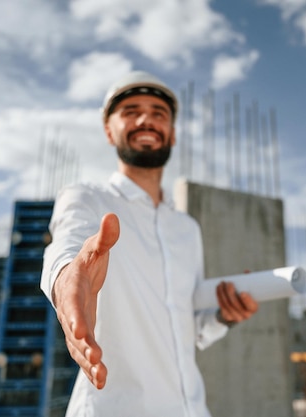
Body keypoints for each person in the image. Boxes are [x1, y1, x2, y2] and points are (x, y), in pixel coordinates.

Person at [40, 70, 259, 417]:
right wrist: (66, 276)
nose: (146, 120)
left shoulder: (187, 229)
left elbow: (191, 332)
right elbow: (66, 246)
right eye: (130, 111)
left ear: (171, 134)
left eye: (159, 114)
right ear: (109, 131)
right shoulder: (87, 199)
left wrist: (224, 316)